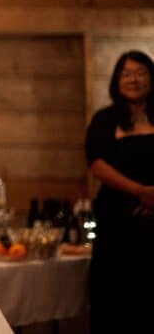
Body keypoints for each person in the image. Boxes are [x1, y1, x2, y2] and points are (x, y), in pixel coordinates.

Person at [85, 50, 154, 334]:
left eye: (139, 73)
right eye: (125, 73)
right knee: (113, 308)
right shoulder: (105, 119)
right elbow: (97, 164)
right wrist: (141, 192)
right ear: (116, 80)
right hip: (116, 230)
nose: (133, 79)